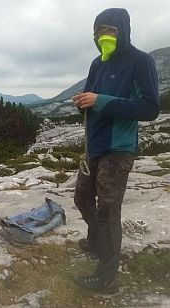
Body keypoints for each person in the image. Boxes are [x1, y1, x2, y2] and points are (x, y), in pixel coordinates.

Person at [71, 8, 159, 293]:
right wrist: (83, 101)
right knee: (83, 198)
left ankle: (107, 277)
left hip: (118, 148)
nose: (101, 37)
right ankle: (97, 241)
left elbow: (150, 108)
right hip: (94, 145)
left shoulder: (140, 61)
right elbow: (91, 97)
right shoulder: (98, 63)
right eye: (97, 32)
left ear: (122, 31)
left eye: (108, 31)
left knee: (108, 210)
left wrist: (101, 101)